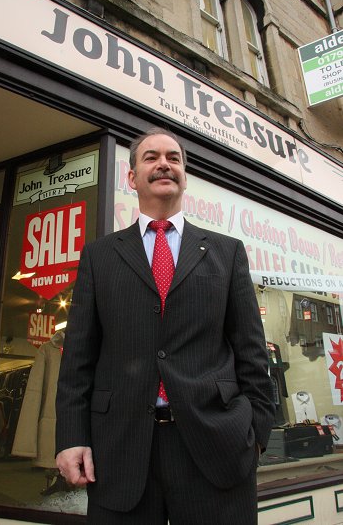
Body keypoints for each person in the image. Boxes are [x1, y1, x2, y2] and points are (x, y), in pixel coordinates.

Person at [55, 127, 275, 524]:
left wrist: (255, 432)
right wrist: (72, 438)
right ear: (132, 177)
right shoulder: (99, 256)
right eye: (151, 157)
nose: (164, 164)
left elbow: (252, 353)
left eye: (173, 158)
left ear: (184, 175)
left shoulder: (226, 252)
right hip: (119, 451)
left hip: (216, 445)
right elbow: (77, 360)